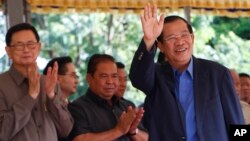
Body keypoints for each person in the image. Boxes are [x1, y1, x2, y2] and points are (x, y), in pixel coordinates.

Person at [129, 3, 244, 141]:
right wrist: (148, 40)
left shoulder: (217, 74)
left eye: (184, 35)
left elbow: (236, 122)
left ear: (192, 38)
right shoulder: (155, 75)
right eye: (171, 38)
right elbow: (137, 78)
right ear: (160, 46)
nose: (180, 42)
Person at [0, 23, 73, 141]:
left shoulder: (49, 82)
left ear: (38, 48)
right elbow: (2, 132)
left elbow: (65, 130)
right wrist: (31, 96)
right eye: (19, 45)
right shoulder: (2, 84)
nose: (26, 50)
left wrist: (51, 97)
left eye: (30, 44)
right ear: (8, 51)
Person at [68, 54, 148, 141]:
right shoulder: (77, 108)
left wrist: (133, 131)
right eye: (104, 76)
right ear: (89, 78)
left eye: (114, 76)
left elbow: (145, 138)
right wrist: (118, 131)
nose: (110, 82)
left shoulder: (127, 106)